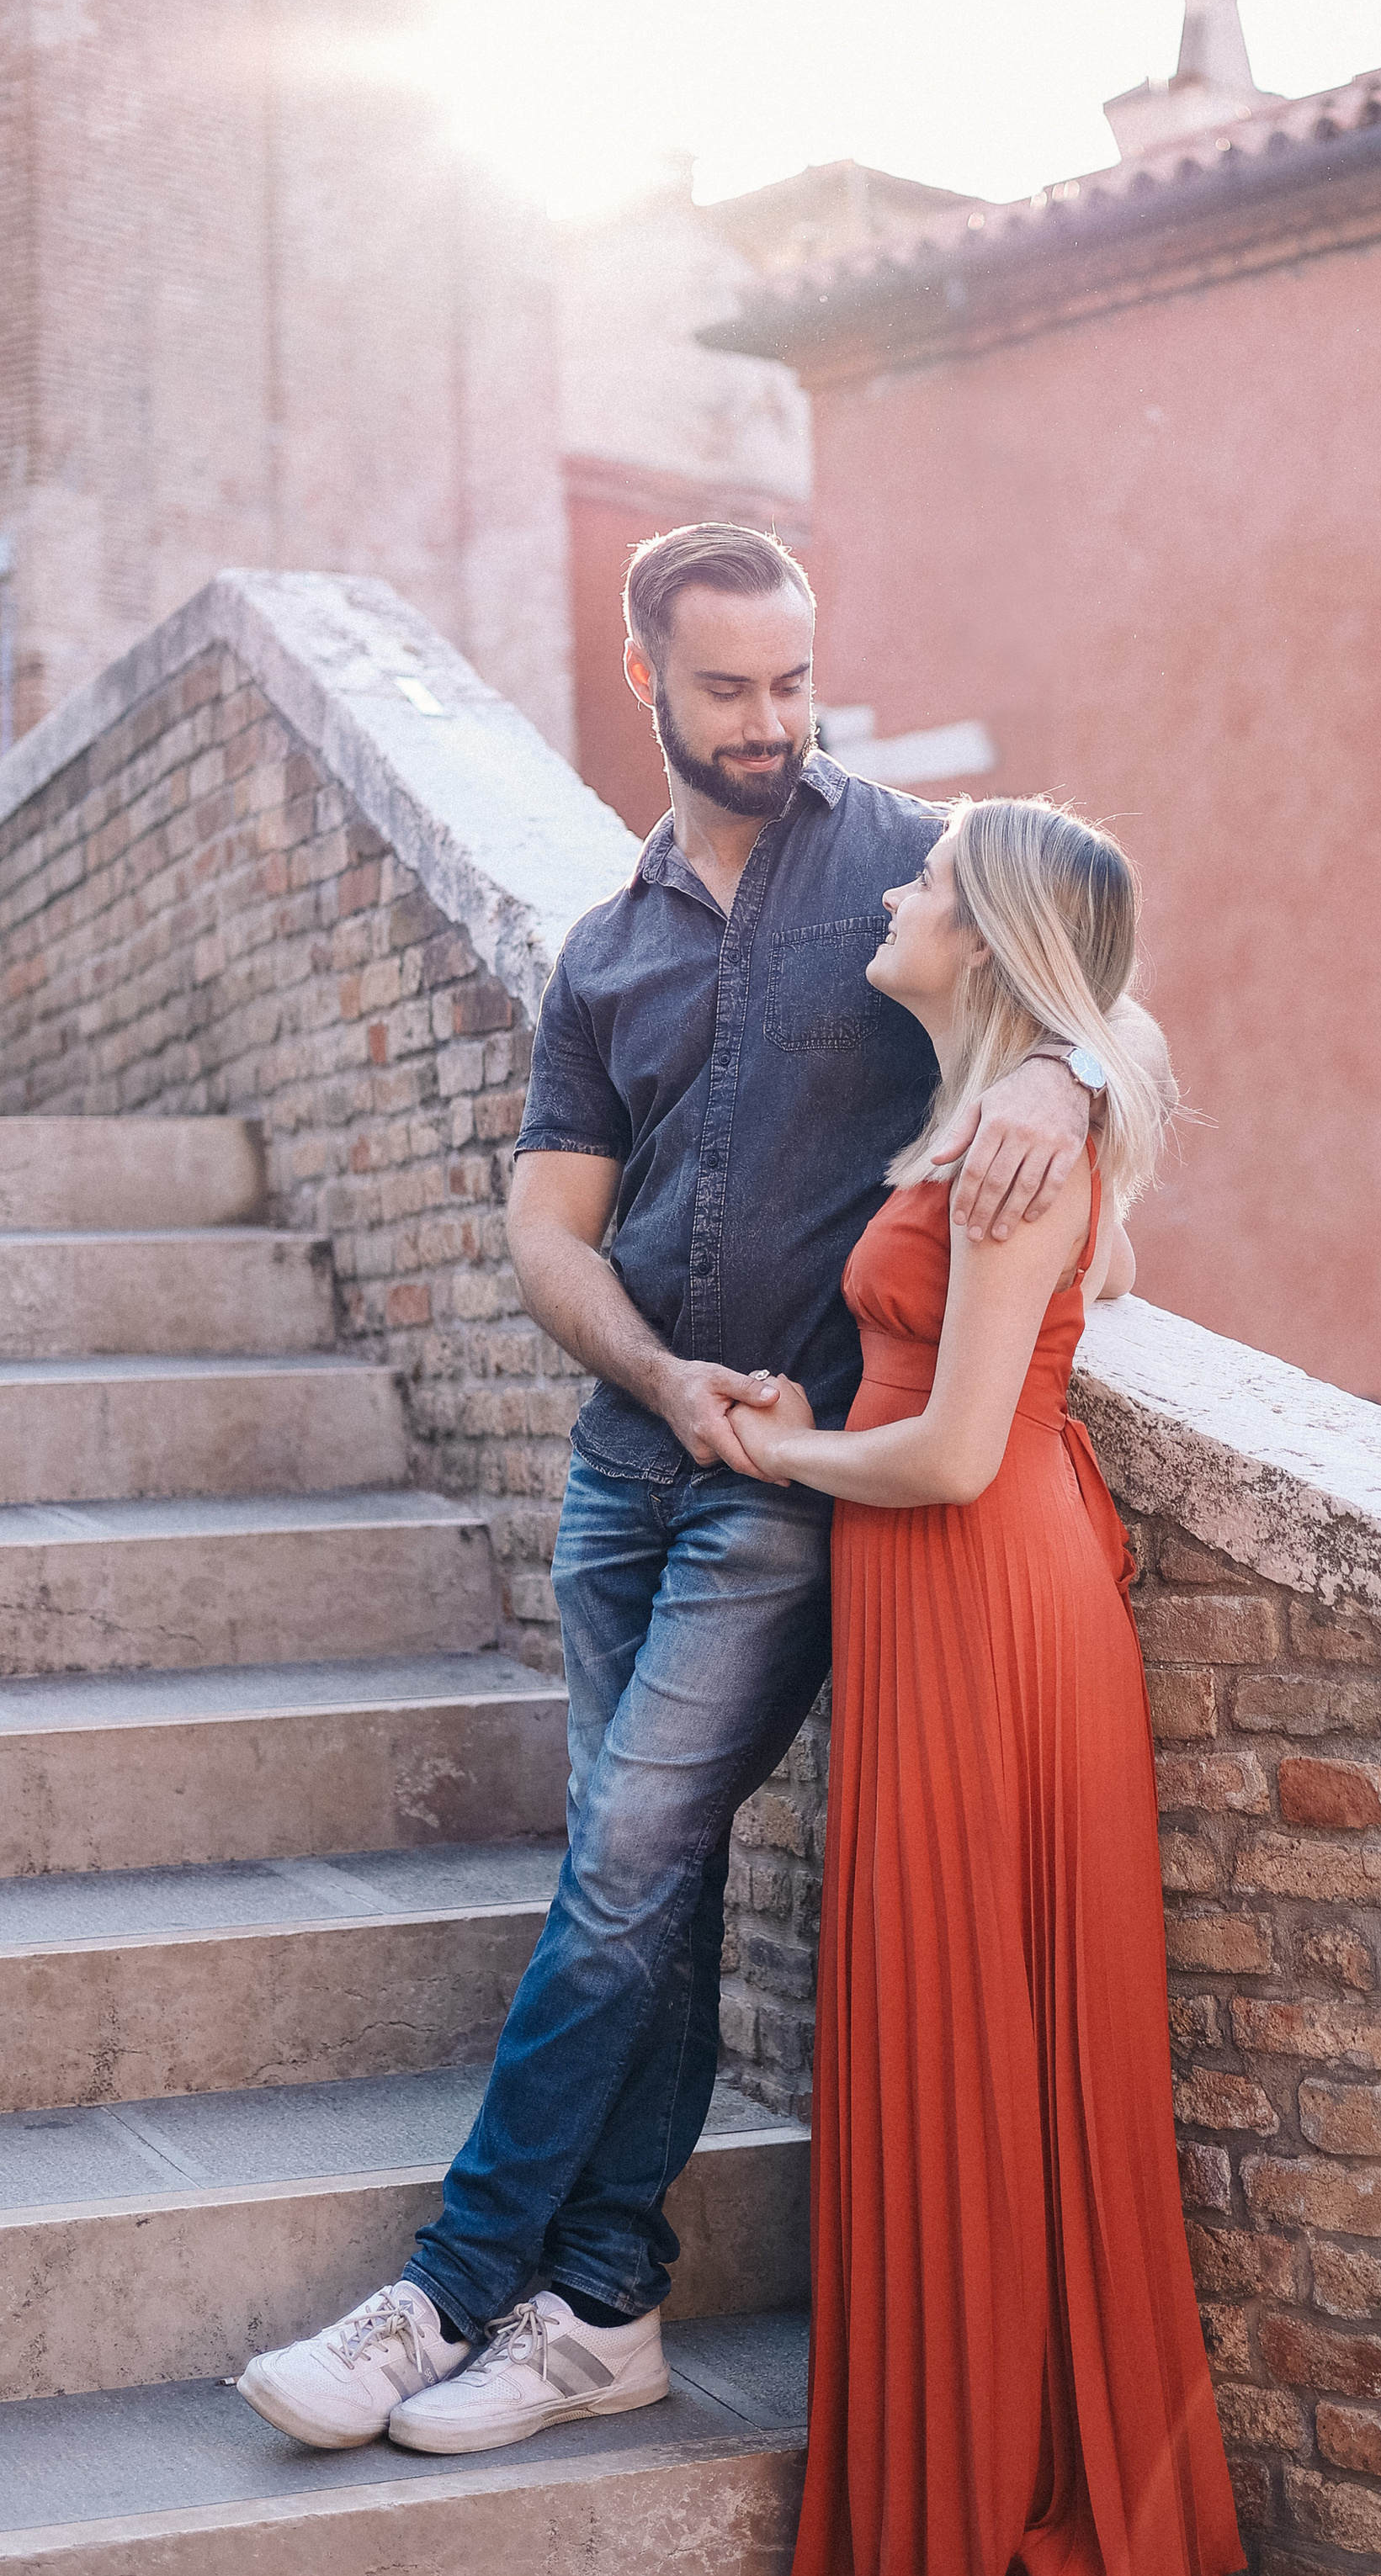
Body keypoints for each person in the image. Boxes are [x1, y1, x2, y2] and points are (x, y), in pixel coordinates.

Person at [236, 524, 1092, 2454]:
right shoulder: (602, 948)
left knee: (618, 1861)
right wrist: (648, 1372)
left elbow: (1090, 975)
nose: (774, 722)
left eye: (797, 681)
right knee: (650, 1873)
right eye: (729, 689)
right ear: (645, 678)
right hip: (624, 1473)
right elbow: (548, 1233)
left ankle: (443, 2293)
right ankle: (607, 2300)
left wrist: (1068, 1085)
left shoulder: (914, 867)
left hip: (790, 1486)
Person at [729, 798, 1244, 2576]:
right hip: (947, 1596)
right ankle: (983, 2509)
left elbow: (948, 1453)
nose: (890, 888)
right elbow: (1122, 1035)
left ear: (994, 934)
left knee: (981, 2039)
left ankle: (1026, 2525)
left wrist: (768, 1446)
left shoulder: (1022, 1141)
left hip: (982, 1587)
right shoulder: (999, 1110)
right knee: (957, 2036)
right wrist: (1057, 1069)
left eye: (928, 882)